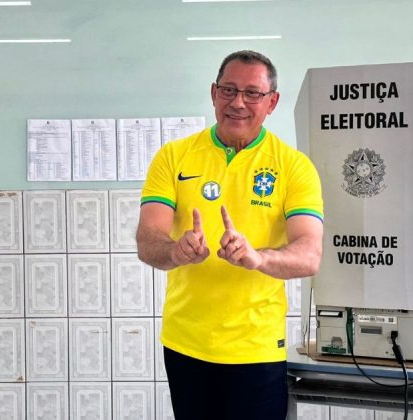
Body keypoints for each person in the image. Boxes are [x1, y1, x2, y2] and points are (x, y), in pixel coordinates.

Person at [136, 50, 324, 419]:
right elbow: (148, 239)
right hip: (186, 345)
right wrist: (176, 250)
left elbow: (309, 254)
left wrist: (258, 258)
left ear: (272, 102)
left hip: (256, 349)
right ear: (213, 93)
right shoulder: (174, 157)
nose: (238, 102)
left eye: (253, 93)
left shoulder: (293, 166)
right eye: (229, 90)